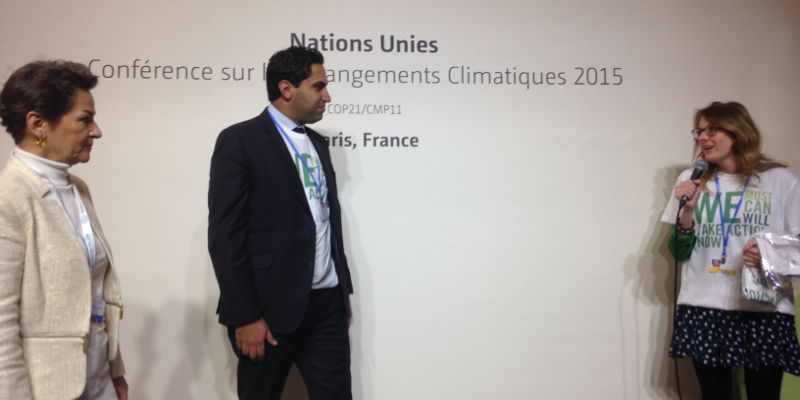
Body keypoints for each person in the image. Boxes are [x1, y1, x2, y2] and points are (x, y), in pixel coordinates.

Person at [208, 46, 354, 400]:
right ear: (287, 88)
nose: (327, 96)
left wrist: (342, 296)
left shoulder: (318, 144)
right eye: (319, 87)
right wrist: (245, 315)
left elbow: (326, 221)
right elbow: (225, 236)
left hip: (326, 306)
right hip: (267, 310)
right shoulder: (239, 141)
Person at [0, 60, 127, 399]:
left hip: (98, 380)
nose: (97, 131)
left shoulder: (78, 189)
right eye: (85, 119)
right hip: (46, 389)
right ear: (38, 124)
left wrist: (114, 369)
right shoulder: (8, 198)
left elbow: (94, 294)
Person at [662, 101, 800, 399]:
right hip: (704, 306)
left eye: (712, 129)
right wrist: (688, 211)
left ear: (738, 131)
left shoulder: (782, 182)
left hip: (765, 309)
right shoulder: (691, 180)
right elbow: (679, 252)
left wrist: (769, 255)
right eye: (699, 131)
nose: (702, 137)